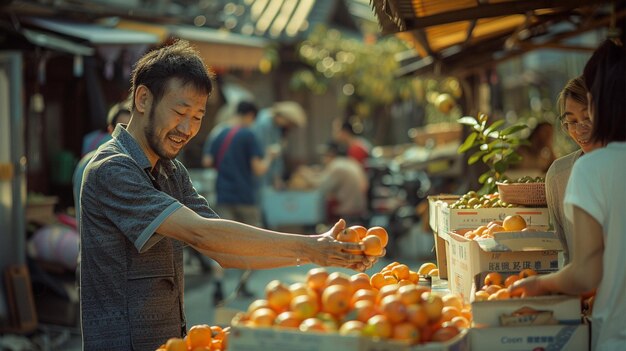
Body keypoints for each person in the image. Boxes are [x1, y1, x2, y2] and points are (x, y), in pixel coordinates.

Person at [78, 40, 379, 351]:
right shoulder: (111, 169)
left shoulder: (172, 172)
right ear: (143, 99)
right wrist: (311, 246)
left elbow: (225, 251)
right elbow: (201, 233)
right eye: (180, 111)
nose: (187, 128)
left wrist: (314, 253)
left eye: (197, 117)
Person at [511, 39, 626, 351]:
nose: (581, 126)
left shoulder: (592, 169)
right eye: (570, 121)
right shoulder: (565, 172)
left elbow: (586, 273)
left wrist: (539, 284)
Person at [201, 100, 278, 301]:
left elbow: (207, 161)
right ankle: (243, 283)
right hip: (246, 197)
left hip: (223, 195)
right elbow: (258, 169)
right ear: (251, 115)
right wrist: (270, 156)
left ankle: (218, 282)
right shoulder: (248, 135)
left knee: (222, 241)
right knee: (251, 241)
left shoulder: (218, 133)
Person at [546, 76, 602, 265]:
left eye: (588, 119)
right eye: (572, 121)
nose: (579, 130)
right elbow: (567, 255)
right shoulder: (559, 176)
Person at [73, 100, 132, 225]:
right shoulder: (114, 165)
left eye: (131, 128)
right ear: (111, 130)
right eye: (123, 128)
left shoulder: (87, 160)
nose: (129, 134)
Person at [300, 141, 369, 224]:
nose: (323, 159)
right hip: (360, 206)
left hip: (347, 210)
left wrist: (305, 174)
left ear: (331, 154)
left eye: (325, 155)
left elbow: (322, 186)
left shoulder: (336, 165)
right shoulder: (351, 162)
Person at [251, 101, 306, 189]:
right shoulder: (264, 124)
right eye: (289, 123)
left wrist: (277, 176)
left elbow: (276, 154)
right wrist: (275, 177)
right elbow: (266, 153)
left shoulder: (275, 127)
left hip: (267, 174)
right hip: (261, 175)